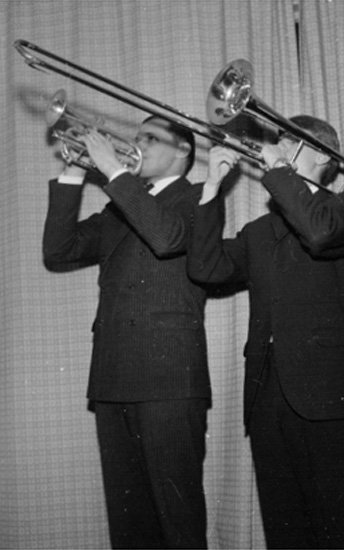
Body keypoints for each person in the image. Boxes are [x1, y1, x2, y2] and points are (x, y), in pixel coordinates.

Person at [186, 115, 344, 549]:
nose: (278, 147)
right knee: (284, 528)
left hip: (326, 395)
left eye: (292, 142)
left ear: (323, 157)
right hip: (266, 396)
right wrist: (211, 188)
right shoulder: (260, 231)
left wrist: (277, 169)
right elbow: (205, 267)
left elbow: (318, 231)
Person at [43, 116, 210, 549]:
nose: (137, 145)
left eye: (150, 138)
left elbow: (167, 237)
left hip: (169, 380)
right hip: (112, 375)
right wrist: (74, 170)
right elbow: (59, 250)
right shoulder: (119, 208)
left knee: (178, 521)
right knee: (129, 525)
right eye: (137, 137)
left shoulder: (198, 197)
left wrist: (114, 172)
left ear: (183, 151)